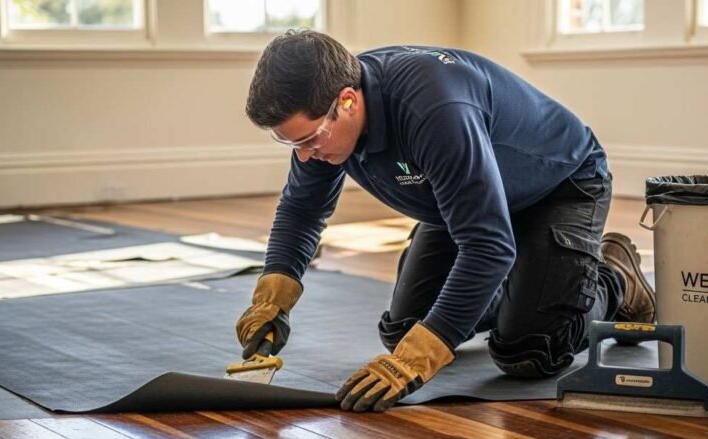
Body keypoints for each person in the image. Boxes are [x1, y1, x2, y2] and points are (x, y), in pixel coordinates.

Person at [236, 30, 654, 413]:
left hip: (559, 184)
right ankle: (528, 284)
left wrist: (420, 358)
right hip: (462, 202)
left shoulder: (433, 109)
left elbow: (488, 246)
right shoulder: (324, 119)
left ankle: (616, 278)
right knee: (405, 332)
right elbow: (302, 210)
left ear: (347, 101)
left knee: (529, 351)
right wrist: (272, 299)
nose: (304, 155)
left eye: (309, 139)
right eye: (291, 144)